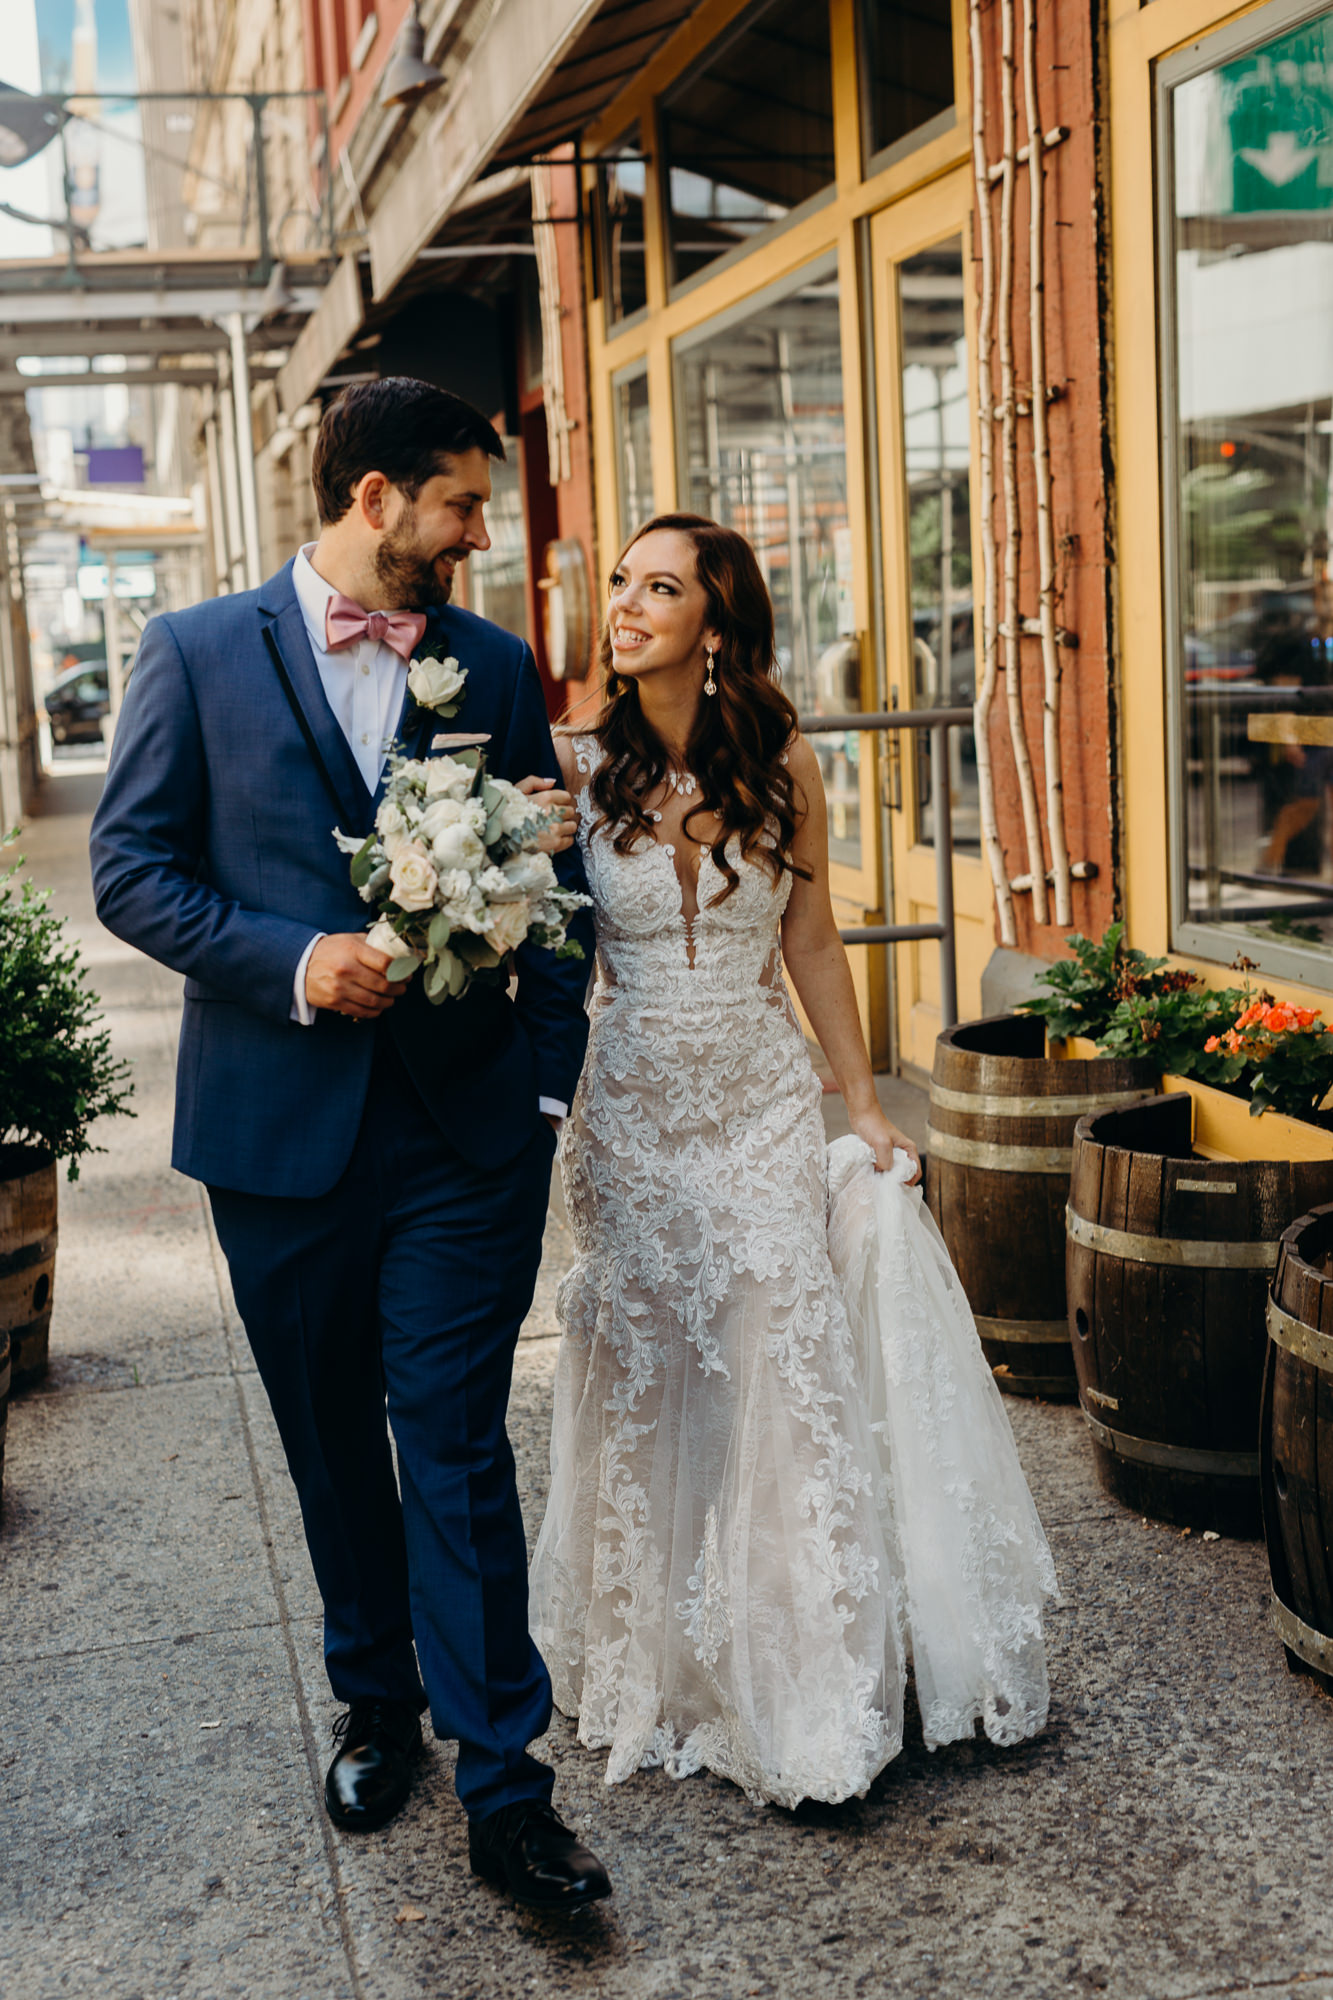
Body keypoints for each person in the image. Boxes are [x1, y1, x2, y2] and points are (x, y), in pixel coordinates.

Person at [89, 379, 612, 1913]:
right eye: (457, 504)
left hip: (466, 1133)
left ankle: (508, 1789)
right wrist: (296, 962)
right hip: (277, 1135)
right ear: (374, 496)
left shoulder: (494, 663)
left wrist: (543, 1080)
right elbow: (132, 869)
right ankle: (375, 1701)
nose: (474, 534)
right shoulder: (193, 653)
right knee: (331, 1443)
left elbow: (555, 887)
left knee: (451, 1445)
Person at [530, 514, 1056, 1808]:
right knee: (651, 1363)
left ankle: (804, 1681)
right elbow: (546, 959)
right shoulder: (571, 768)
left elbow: (813, 940)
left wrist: (862, 1105)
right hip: (635, 1111)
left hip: (763, 1102)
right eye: (623, 586)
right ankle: (659, 1658)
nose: (629, 607)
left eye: (662, 589)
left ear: (716, 626)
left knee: (775, 1351)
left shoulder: (783, 764)